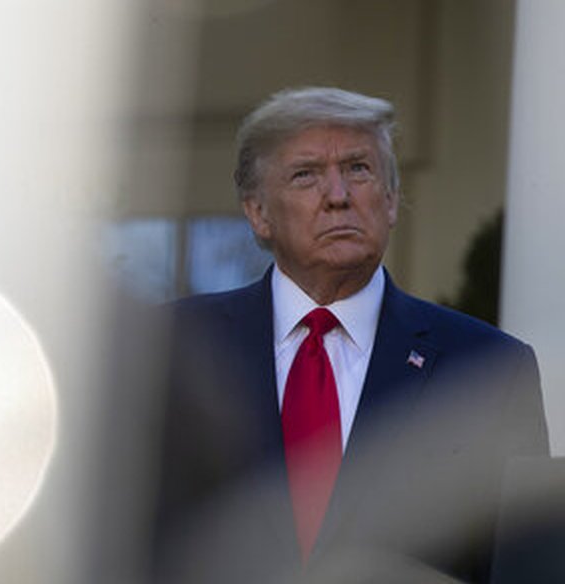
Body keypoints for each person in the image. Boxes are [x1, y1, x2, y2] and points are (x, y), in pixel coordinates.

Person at [150, 87, 549, 583]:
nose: (338, 196)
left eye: (359, 169)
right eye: (306, 175)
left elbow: (523, 566)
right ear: (257, 212)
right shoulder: (170, 348)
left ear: (391, 201)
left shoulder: (490, 367)